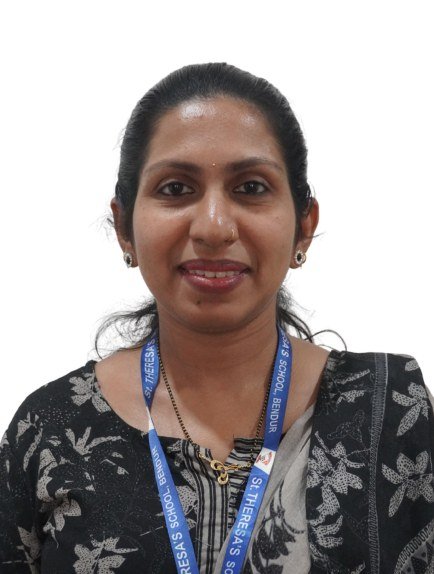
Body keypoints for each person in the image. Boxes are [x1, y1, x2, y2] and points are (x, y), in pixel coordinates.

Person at [0, 63, 433, 574]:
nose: (213, 227)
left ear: (303, 226)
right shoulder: (50, 430)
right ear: (124, 227)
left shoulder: (391, 409)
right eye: (175, 189)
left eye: (250, 187)